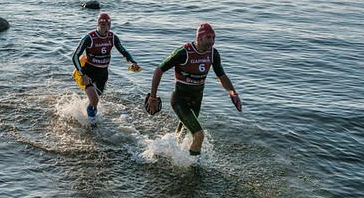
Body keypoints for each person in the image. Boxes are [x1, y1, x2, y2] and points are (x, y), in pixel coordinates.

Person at [146, 23, 242, 157]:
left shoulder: (213, 54)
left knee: (184, 133)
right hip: (180, 100)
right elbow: (159, 70)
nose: (212, 41)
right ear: (199, 38)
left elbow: (222, 76)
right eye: (208, 38)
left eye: (213, 38)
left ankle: (169, 153)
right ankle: (194, 168)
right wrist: (153, 97)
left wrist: (233, 92)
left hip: (197, 100)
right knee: (199, 135)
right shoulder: (184, 52)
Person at [72, 13, 140, 126]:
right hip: (88, 73)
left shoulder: (112, 38)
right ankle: (92, 127)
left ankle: (88, 114)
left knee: (95, 102)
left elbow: (124, 52)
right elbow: (75, 56)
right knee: (95, 101)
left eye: (108, 24)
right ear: (98, 24)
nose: (106, 28)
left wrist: (133, 62)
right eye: (103, 25)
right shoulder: (89, 38)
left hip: (103, 75)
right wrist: (82, 74)